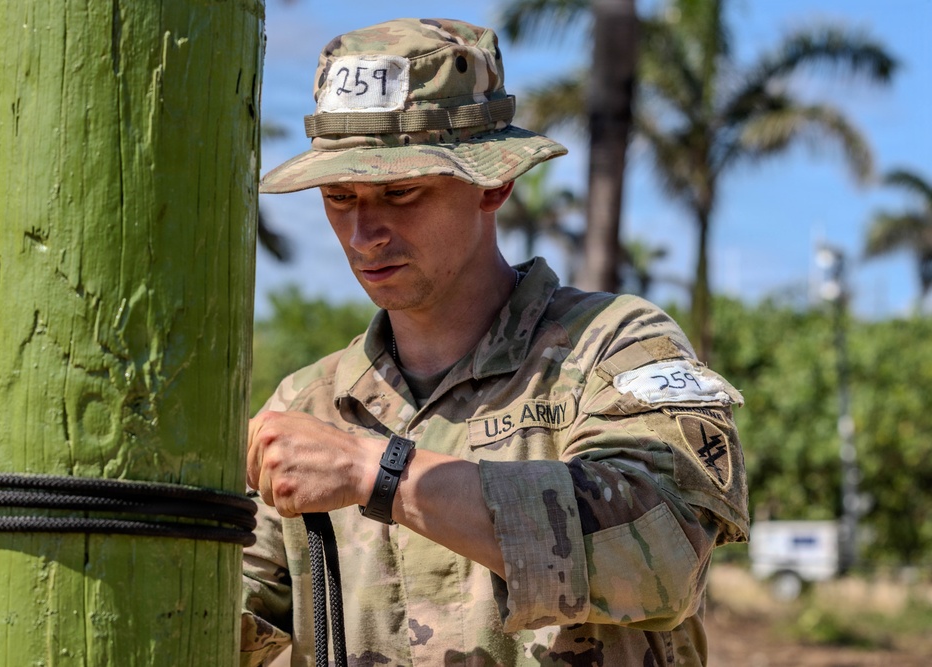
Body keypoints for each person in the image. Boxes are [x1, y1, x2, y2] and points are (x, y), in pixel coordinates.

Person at [243, 17, 748, 667]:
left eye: (402, 192)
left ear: (494, 182)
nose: (365, 232)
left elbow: (661, 549)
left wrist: (376, 471)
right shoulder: (310, 404)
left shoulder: (611, 352)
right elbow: (224, 613)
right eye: (339, 197)